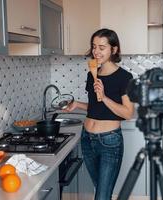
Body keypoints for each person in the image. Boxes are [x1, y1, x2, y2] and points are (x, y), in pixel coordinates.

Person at [64, 28, 134, 200]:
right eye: (94, 46)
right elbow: (96, 108)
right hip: (87, 139)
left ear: (114, 49)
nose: (96, 51)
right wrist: (77, 105)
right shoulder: (91, 75)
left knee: (102, 196)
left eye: (102, 47)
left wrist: (104, 97)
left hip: (110, 141)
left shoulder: (124, 77)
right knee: (102, 192)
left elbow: (128, 113)